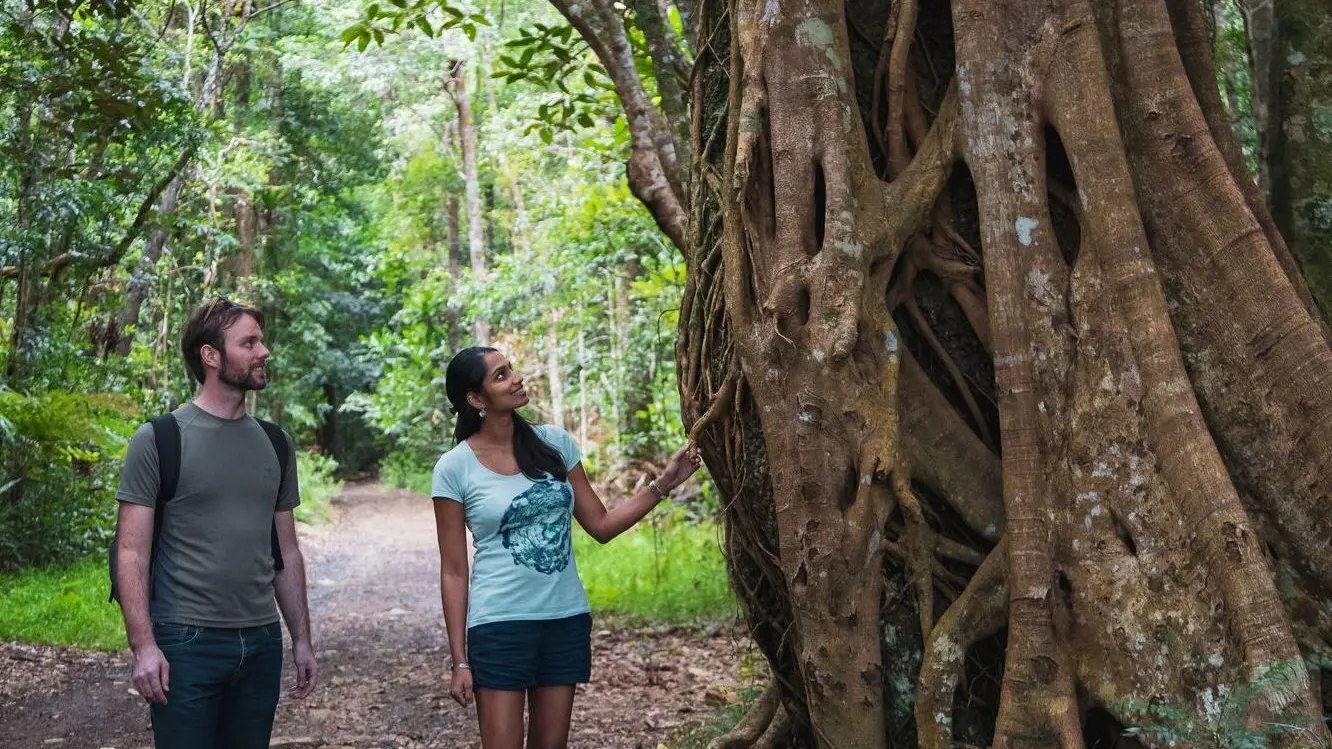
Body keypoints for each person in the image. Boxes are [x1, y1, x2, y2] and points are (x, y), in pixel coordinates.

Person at [433, 346, 702, 749]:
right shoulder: (454, 468)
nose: (517, 377)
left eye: (512, 368)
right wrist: (459, 660)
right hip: (499, 625)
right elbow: (454, 570)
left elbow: (601, 524)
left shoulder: (554, 443)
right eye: (501, 375)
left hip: (564, 620)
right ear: (475, 399)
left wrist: (663, 484)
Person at [112, 297, 318, 749]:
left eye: (260, 341)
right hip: (186, 642)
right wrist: (143, 647)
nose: (263, 352)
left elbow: (286, 552)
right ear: (211, 356)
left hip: (261, 642)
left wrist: (300, 639)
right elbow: (130, 551)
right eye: (249, 343)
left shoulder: (276, 443)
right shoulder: (159, 439)